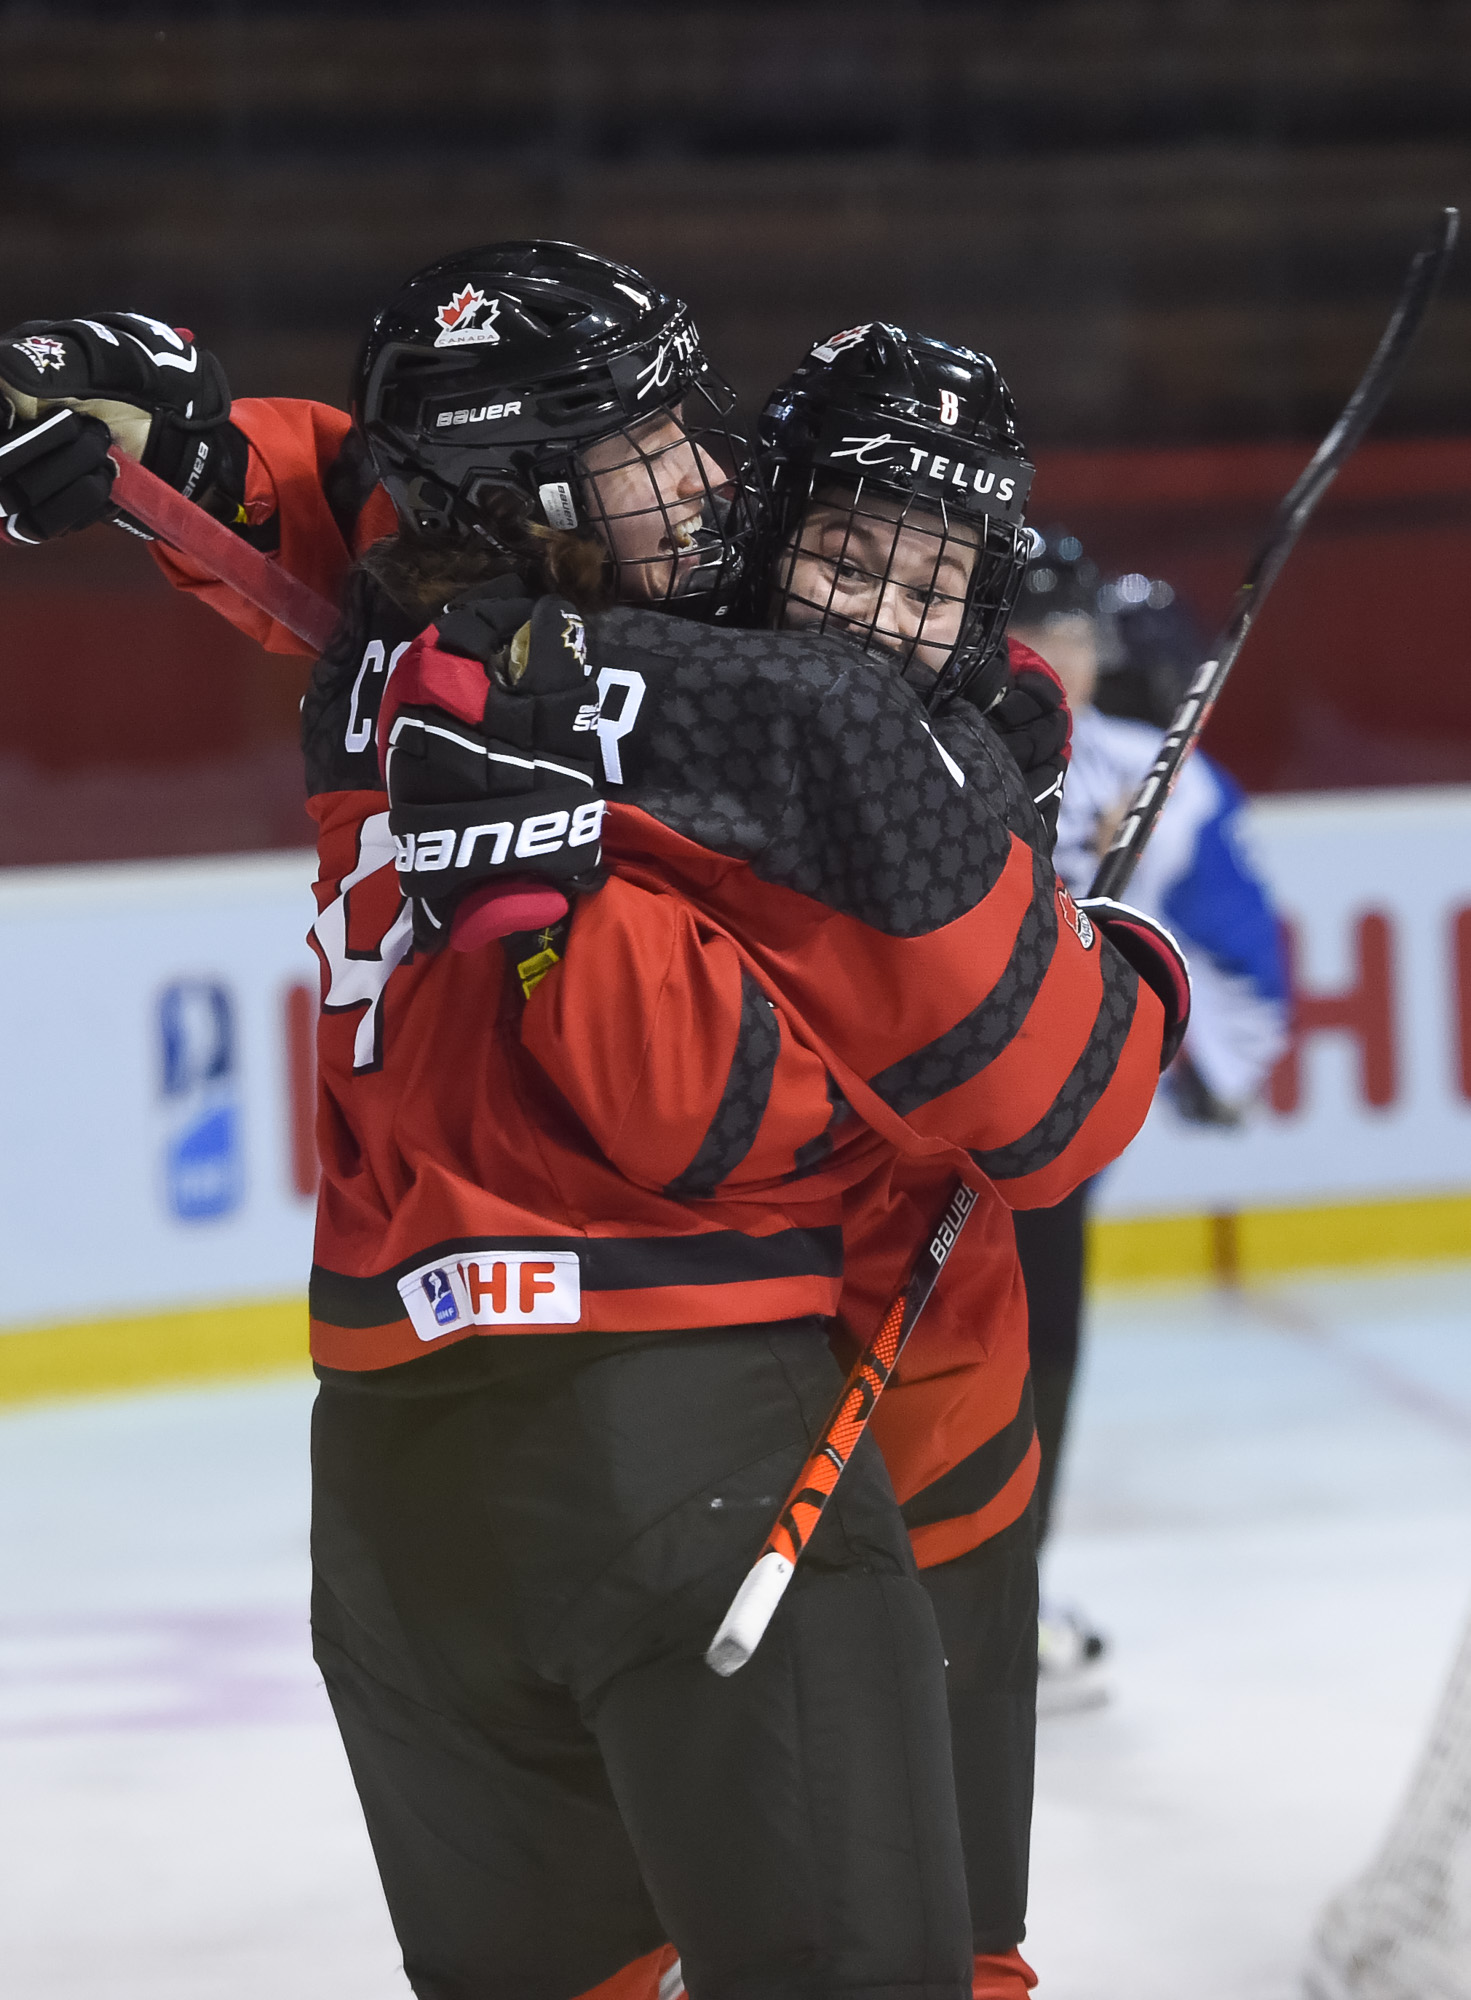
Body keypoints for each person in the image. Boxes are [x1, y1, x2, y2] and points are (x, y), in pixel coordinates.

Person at [0, 259, 1187, 1998]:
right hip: (727, 1420)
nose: (692, 477)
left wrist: (184, 447)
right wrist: (1096, 937)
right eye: (649, 448)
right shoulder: (805, 728)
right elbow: (1026, 1105)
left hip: (401, 1455)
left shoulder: (412, 642)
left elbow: (354, 497)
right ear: (544, 490)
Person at [1007, 530, 1288, 1714]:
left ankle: (1000, 1587)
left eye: (1062, 628)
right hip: (910, 1123)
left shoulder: (1148, 776)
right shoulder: (902, 749)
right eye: (1026, 626)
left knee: (1033, 1351)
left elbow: (1236, 965)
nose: (1047, 650)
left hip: (1035, 1137)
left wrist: (1188, 1055)